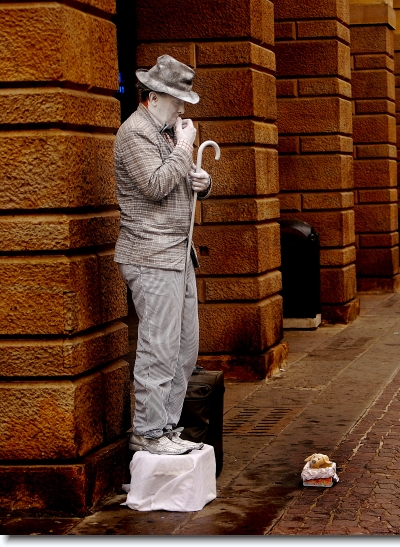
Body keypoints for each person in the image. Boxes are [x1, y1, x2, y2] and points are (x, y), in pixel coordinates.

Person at [115, 55, 213, 455]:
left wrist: (203, 183)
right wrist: (186, 147)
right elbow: (154, 186)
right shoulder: (135, 132)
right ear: (153, 97)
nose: (183, 109)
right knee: (158, 347)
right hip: (151, 254)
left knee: (184, 348)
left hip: (177, 254)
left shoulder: (168, 132)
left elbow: (176, 183)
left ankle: (166, 428)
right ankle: (149, 432)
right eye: (177, 100)